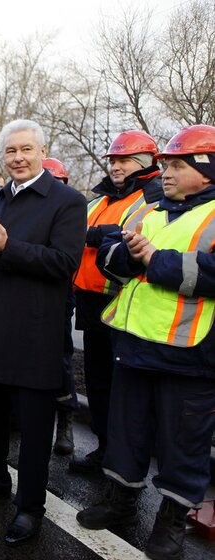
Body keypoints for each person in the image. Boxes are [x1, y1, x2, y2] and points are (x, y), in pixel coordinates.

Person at [77, 124, 215, 560]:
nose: (166, 174)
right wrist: (130, 256)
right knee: (126, 433)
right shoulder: (151, 211)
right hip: (135, 347)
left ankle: (171, 521)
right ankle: (120, 502)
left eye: (177, 166)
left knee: (183, 445)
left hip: (190, 355)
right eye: (165, 165)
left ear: (207, 171)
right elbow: (110, 256)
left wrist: (154, 260)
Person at [0, 120, 86, 548]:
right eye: (10, 151)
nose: (18, 158)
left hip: (35, 331)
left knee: (33, 428)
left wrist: (6, 249)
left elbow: (64, 263)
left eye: (26, 149)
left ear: (42, 151)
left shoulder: (67, 201)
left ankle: (30, 507)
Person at [69, 131, 164, 475]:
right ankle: (104, 449)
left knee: (124, 390)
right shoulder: (100, 199)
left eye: (125, 160)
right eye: (113, 161)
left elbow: (131, 235)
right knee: (98, 385)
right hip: (91, 303)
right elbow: (75, 230)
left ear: (146, 163)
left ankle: (122, 462)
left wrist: (93, 234)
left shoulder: (154, 195)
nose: (117, 167)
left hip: (124, 305)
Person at [42, 157, 78, 456]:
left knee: (60, 360)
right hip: (26, 297)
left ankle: (65, 421)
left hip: (60, 296)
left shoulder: (69, 209)